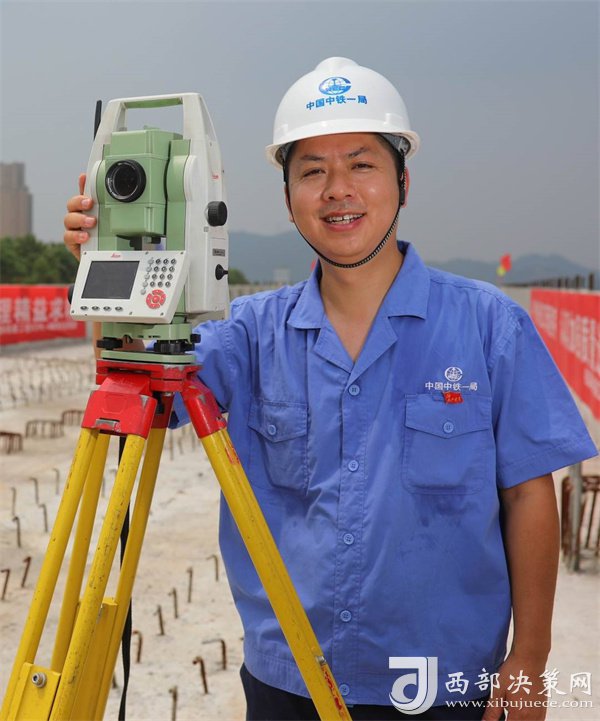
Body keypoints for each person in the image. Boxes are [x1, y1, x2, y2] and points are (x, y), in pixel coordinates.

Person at [64, 58, 597, 721]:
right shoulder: (247, 334)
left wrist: (530, 662)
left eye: (361, 164)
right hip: (288, 682)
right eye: (312, 171)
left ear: (403, 182)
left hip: (444, 684)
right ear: (288, 196)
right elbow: (140, 392)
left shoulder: (491, 326)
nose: (337, 190)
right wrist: (111, 270)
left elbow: (527, 494)